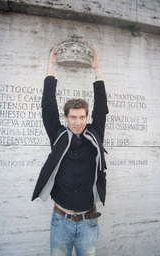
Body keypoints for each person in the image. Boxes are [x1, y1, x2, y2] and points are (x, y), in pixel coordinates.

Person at [32, 45, 109, 256]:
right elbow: (47, 107)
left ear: (87, 117)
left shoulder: (94, 135)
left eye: (82, 117)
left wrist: (98, 72)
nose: (78, 122)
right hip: (60, 221)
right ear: (66, 118)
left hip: (88, 223)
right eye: (73, 117)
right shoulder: (58, 135)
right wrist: (50, 68)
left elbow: (101, 107)